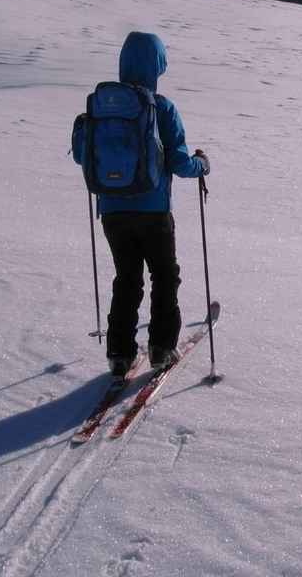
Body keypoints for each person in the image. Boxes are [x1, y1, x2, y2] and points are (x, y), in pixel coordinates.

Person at [78, 32, 210, 377]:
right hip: (153, 211)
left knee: (127, 279)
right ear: (157, 64)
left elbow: (82, 156)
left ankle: (119, 354)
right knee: (164, 275)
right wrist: (203, 165)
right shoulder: (160, 106)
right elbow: (180, 163)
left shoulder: (99, 104)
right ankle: (162, 348)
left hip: (111, 210)